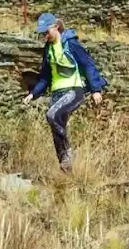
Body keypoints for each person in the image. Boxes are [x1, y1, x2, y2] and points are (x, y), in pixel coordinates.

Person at [22, 13, 107, 172]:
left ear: (56, 27)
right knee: (56, 131)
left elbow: (88, 65)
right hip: (56, 93)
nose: (45, 36)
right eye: (42, 34)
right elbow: (45, 77)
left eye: (46, 32)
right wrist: (33, 94)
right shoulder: (48, 50)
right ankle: (66, 168)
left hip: (73, 91)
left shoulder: (71, 44)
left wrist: (96, 89)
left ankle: (68, 152)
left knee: (51, 115)